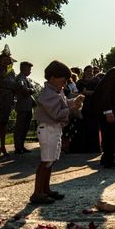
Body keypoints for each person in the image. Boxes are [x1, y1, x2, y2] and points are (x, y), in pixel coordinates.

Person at [31, 60, 84, 205]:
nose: (65, 83)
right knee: (46, 161)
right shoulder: (47, 94)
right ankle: (37, 192)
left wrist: (75, 101)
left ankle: (45, 189)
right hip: (47, 128)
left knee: (51, 160)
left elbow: (65, 103)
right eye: (63, 80)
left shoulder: (57, 91)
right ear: (53, 78)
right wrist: (73, 108)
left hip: (54, 128)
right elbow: (57, 113)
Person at [14, 61, 35, 154]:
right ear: (23, 69)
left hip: (27, 106)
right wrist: (32, 89)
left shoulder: (25, 79)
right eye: (29, 69)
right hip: (23, 106)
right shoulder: (20, 78)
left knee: (25, 127)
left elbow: (29, 90)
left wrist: (30, 90)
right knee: (20, 127)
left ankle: (21, 146)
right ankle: (18, 147)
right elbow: (25, 90)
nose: (30, 71)